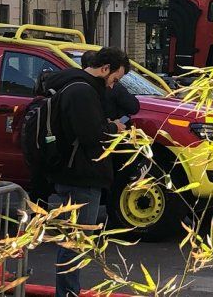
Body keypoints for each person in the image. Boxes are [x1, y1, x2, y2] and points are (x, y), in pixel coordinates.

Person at [45, 47, 130, 297]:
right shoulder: (82, 91)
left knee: (73, 241)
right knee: (76, 243)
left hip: (72, 172)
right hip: (81, 176)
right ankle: (68, 293)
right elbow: (91, 135)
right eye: (115, 79)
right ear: (105, 69)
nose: (113, 86)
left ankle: (68, 291)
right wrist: (113, 128)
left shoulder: (74, 85)